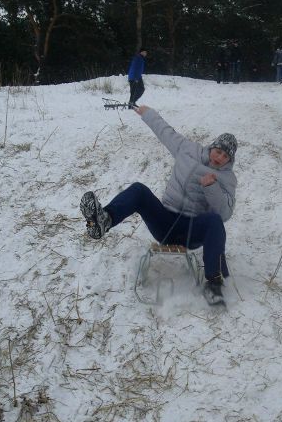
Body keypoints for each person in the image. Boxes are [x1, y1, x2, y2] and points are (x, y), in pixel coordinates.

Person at [80, 105, 238, 307]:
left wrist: (212, 187)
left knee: (215, 221)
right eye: (218, 151)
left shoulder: (227, 179)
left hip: (192, 230)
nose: (219, 158)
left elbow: (225, 213)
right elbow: (165, 132)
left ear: (230, 161)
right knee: (139, 190)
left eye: (226, 157)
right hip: (165, 222)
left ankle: (213, 284)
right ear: (211, 148)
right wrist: (147, 113)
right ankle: (104, 220)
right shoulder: (187, 150)